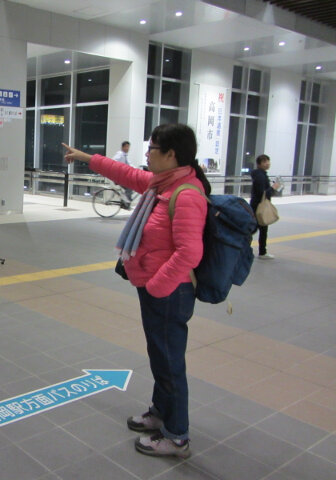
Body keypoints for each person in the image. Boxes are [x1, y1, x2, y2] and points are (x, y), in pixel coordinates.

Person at [62, 123, 209, 459]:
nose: (147, 154)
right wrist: (87, 157)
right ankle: (160, 413)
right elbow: (125, 173)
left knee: (171, 363)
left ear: (171, 155)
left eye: (153, 148)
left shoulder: (185, 194)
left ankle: (177, 436)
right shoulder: (161, 185)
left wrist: (156, 286)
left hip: (170, 292)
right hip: (155, 288)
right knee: (160, 355)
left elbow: (190, 252)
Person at [250, 154, 280, 259]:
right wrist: (273, 188)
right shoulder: (260, 176)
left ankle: (261, 251)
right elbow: (262, 193)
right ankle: (262, 252)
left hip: (256, 205)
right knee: (258, 228)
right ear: (259, 164)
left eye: (268, 161)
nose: (267, 163)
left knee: (257, 228)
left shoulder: (260, 174)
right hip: (259, 206)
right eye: (264, 162)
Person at [112, 141, 134, 205]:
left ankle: (125, 201)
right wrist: (120, 168)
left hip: (122, 176)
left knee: (129, 186)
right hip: (118, 177)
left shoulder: (125, 155)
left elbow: (129, 164)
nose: (127, 148)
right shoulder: (120, 154)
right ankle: (126, 202)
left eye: (128, 147)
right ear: (122, 147)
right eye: (126, 147)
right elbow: (113, 161)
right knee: (130, 186)